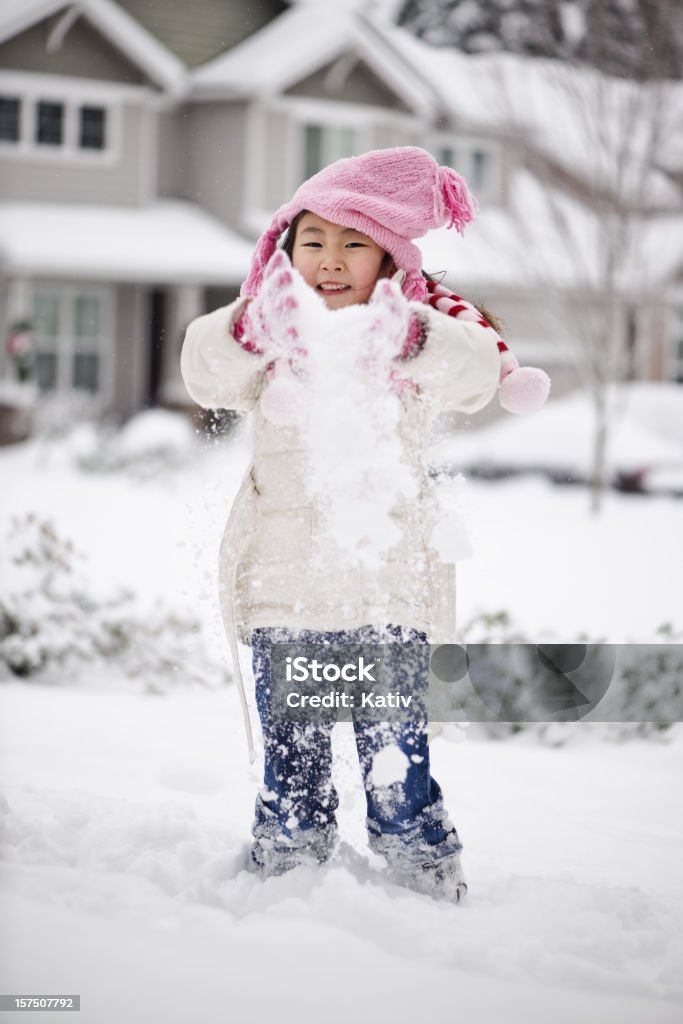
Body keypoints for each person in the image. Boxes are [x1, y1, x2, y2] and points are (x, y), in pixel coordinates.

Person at [180, 147, 549, 903]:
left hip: (389, 595)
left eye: (353, 243)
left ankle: (422, 873)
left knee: (395, 764)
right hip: (287, 589)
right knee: (294, 767)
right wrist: (251, 327)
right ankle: (287, 872)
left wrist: (409, 336)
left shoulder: (413, 336)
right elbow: (203, 372)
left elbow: (476, 376)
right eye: (312, 241)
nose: (330, 260)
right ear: (287, 252)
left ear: (388, 259)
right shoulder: (273, 333)